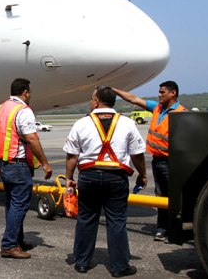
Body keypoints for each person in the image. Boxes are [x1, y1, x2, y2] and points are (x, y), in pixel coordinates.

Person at [64, 86, 148, 277]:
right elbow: (137, 155)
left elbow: (72, 156)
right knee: (117, 221)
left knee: (86, 219)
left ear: (96, 102)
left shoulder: (81, 123)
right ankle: (119, 267)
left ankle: (82, 262)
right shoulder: (127, 123)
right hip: (116, 178)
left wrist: (69, 178)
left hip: (89, 177)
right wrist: (142, 174)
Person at [112, 81, 187, 241]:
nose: (159, 95)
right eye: (159, 92)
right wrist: (114, 89)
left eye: (163, 92)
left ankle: (176, 230)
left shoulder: (181, 113)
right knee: (160, 195)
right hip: (157, 160)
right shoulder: (157, 108)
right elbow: (133, 99)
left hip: (172, 162)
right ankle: (161, 229)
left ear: (173, 93)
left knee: (174, 196)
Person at [0, 78, 53, 259]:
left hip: (4, 163)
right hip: (17, 164)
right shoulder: (23, 111)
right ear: (25, 92)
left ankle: (17, 240)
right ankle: (9, 245)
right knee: (20, 205)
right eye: (30, 93)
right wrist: (45, 163)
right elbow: (32, 139)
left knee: (11, 204)